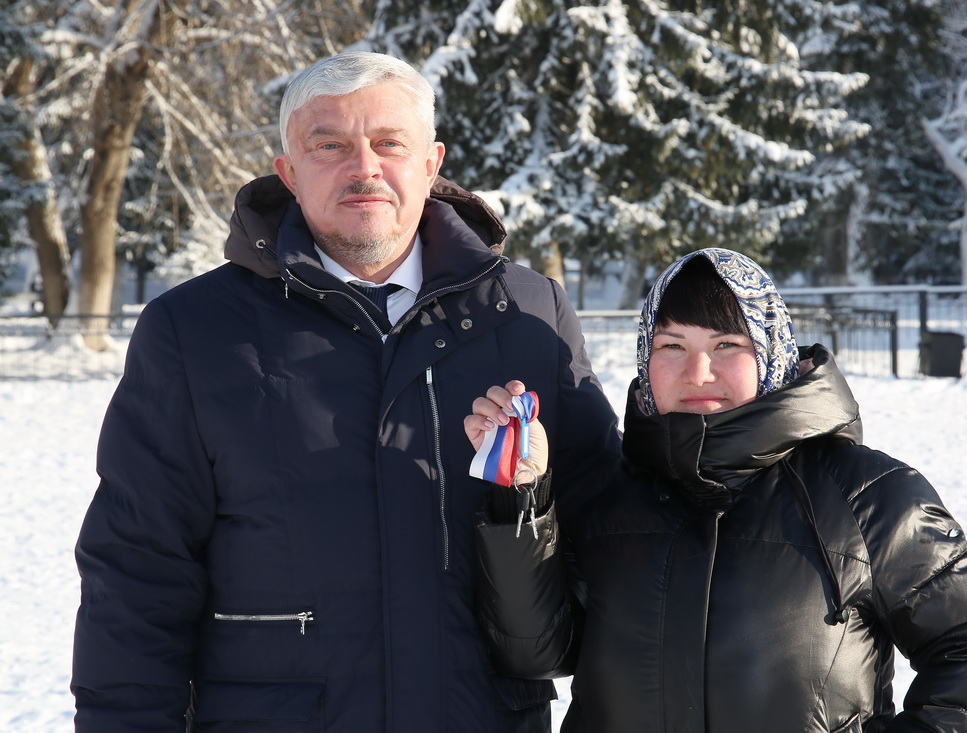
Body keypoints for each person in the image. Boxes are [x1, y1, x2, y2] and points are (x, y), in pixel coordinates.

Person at [71, 51, 620, 732]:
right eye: (329, 145)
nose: (364, 168)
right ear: (288, 171)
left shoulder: (530, 316)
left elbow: (618, 541)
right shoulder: (193, 332)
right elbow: (136, 575)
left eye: (389, 143)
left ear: (430, 163)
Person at [467, 248, 967, 732]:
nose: (699, 372)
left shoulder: (865, 495)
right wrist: (522, 498)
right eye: (671, 347)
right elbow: (535, 651)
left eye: (727, 344)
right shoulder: (609, 494)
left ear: (771, 352)